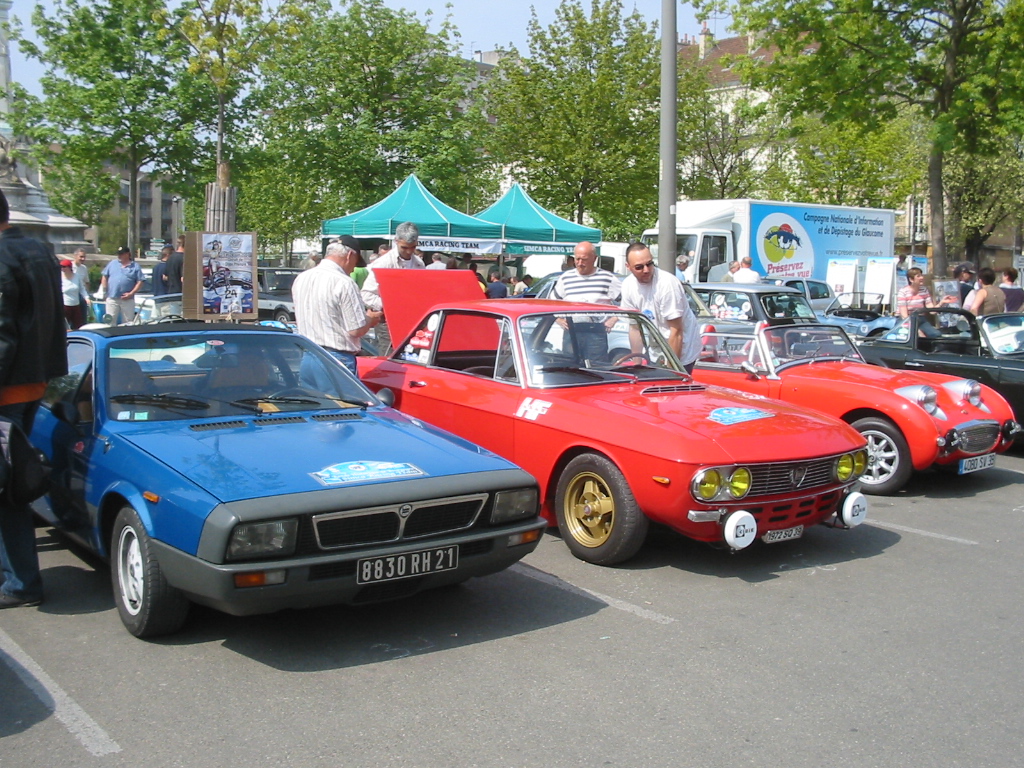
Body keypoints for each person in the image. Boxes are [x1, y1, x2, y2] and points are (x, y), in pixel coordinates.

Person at [0, 189, 68, 609]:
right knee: (12, 482)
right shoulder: (38, 251)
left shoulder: (6, 259)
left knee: (6, 491)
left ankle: (21, 581)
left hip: (8, 386)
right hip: (36, 380)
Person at [292, 236, 382, 377]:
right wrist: (370, 319)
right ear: (349, 255)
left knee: (312, 399)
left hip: (308, 356)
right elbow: (356, 329)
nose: (353, 269)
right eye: (355, 262)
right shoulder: (344, 283)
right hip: (336, 360)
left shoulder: (301, 278)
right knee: (340, 400)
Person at [620, 243, 700, 373]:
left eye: (650, 264)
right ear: (628, 267)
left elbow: (676, 332)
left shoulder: (667, 285)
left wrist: (672, 372)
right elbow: (635, 328)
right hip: (657, 348)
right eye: (639, 267)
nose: (646, 270)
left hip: (682, 349)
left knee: (672, 389)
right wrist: (637, 365)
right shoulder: (628, 286)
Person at [361, 221, 425, 355]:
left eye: (412, 247)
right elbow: (366, 294)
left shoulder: (419, 264)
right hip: (388, 322)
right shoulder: (383, 263)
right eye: (404, 247)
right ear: (396, 241)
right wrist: (390, 306)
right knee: (390, 358)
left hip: (413, 320)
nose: (409, 251)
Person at [550, 241, 621, 304]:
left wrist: (613, 319)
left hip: (601, 319)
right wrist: (561, 319)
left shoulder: (607, 278)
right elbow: (553, 304)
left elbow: (625, 304)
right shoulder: (565, 278)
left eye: (584, 259)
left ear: (594, 258)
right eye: (577, 259)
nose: (580, 263)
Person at [100, 246, 143, 323]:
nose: (119, 256)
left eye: (122, 254)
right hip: (112, 297)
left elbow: (140, 281)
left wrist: (131, 293)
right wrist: (104, 290)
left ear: (127, 254)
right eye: (119, 254)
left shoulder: (135, 266)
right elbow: (104, 276)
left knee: (128, 322)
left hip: (127, 299)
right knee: (110, 321)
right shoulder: (112, 263)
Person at [60, 259, 90, 329]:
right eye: (61, 267)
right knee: (65, 327)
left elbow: (82, 289)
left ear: (69, 267)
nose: (62, 268)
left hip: (76, 305)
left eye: (64, 267)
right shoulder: (60, 277)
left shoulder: (77, 276)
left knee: (78, 326)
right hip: (65, 306)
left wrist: (87, 297)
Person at [70, 248, 93, 319]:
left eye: (84, 257)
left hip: (82, 295)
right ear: (75, 256)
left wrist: (87, 296)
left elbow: (87, 282)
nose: (83, 259)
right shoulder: (69, 267)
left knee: (82, 317)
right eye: (81, 257)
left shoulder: (84, 268)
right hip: (72, 295)